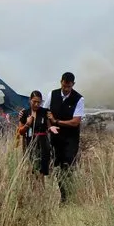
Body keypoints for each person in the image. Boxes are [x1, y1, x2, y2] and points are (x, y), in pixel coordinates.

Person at [44, 72, 85, 203]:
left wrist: (57, 122)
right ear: (61, 82)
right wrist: (50, 126)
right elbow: (45, 112)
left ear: (73, 85)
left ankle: (69, 196)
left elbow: (75, 122)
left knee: (68, 166)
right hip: (56, 137)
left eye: (69, 86)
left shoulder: (79, 99)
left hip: (70, 139)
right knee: (58, 166)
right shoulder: (52, 94)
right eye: (64, 86)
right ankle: (63, 196)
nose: (66, 89)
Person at [18, 90, 59, 187]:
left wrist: (51, 127)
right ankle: (33, 190)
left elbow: (49, 126)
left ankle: (41, 191)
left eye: (39, 102)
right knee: (31, 168)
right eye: (34, 101)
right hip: (29, 143)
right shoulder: (24, 113)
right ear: (29, 100)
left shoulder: (45, 112)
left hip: (43, 143)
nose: (36, 104)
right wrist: (28, 124)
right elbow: (20, 131)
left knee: (41, 170)